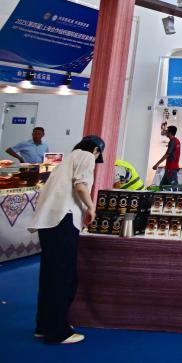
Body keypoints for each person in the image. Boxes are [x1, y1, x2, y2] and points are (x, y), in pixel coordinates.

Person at [28, 135, 104, 344]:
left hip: (48, 222)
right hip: (63, 220)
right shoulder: (87, 156)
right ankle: (57, 331)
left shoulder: (66, 160)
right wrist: (91, 208)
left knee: (50, 275)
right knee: (63, 277)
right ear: (96, 150)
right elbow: (81, 186)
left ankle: (44, 325)